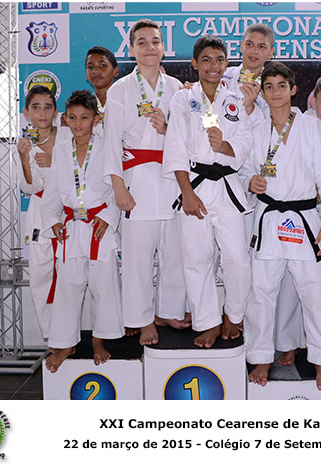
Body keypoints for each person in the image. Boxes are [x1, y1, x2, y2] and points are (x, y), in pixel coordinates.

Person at [244, 62, 321, 390]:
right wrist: (250, 181)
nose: (275, 92)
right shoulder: (257, 130)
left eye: (281, 86)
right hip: (270, 219)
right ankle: (261, 356)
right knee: (261, 293)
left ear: (294, 90)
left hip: (304, 220)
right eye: (269, 86)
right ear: (262, 92)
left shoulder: (312, 128)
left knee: (314, 293)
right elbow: (243, 170)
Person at [163, 35, 253, 348]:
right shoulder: (182, 99)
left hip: (227, 187)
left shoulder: (235, 99)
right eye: (206, 60)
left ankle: (233, 315)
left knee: (237, 259)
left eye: (219, 60)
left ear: (226, 63)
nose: (213, 66)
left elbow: (245, 139)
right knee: (196, 258)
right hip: (196, 186)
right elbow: (174, 145)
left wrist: (225, 145)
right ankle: (208, 322)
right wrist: (186, 192)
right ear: (195, 64)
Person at [103, 19, 189, 346]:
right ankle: (141, 320)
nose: (150, 47)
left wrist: (168, 129)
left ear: (164, 47)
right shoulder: (120, 90)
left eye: (155, 41)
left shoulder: (178, 89)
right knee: (137, 258)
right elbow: (111, 142)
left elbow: (188, 137)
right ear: (131, 49)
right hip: (136, 181)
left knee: (174, 253)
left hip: (171, 178)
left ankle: (169, 311)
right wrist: (118, 186)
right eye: (142, 42)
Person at [42, 90, 123, 373]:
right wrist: (53, 220)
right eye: (73, 117)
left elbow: (117, 187)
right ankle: (65, 343)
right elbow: (53, 189)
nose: (78, 123)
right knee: (69, 286)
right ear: (65, 119)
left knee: (104, 286)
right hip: (71, 228)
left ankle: (100, 339)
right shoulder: (61, 150)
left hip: (98, 225)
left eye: (85, 118)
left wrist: (109, 217)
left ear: (96, 119)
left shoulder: (107, 147)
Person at [274, 74, 321, 367]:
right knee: (290, 286)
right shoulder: (297, 125)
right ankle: (287, 343)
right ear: (313, 101)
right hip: (298, 213)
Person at [17, 85, 59, 340]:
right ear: (26, 112)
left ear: (55, 111)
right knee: (42, 277)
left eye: (48, 107)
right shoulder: (26, 144)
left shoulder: (67, 135)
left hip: (68, 213)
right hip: (40, 216)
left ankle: (74, 334)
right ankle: (53, 339)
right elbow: (29, 188)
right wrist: (24, 159)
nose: (42, 113)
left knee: (74, 278)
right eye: (36, 107)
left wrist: (55, 162)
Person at [221, 23, 274, 121]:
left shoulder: (274, 87)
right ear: (241, 46)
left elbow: (272, 125)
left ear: (270, 53)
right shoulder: (222, 76)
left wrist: (250, 108)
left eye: (261, 46)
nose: (254, 50)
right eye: (249, 44)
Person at [85, 46, 120, 124]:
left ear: (116, 71)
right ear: (86, 75)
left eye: (103, 65)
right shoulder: (83, 106)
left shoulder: (125, 101)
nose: (95, 71)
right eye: (90, 67)